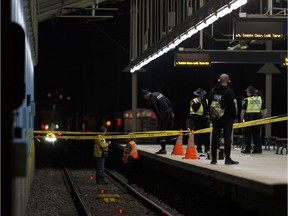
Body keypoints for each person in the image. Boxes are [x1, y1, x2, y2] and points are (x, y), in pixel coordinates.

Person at [208, 73, 239, 165]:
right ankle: (227, 158)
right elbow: (232, 106)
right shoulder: (229, 92)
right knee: (227, 138)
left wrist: (210, 115)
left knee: (215, 138)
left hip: (216, 118)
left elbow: (209, 103)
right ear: (228, 80)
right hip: (227, 118)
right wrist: (234, 116)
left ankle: (213, 158)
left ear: (219, 80)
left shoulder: (212, 91)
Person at [141, 89, 175, 154]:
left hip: (164, 115)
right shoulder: (158, 93)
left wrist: (159, 117)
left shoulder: (152, 99)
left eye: (145, 98)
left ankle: (163, 149)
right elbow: (167, 100)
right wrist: (171, 110)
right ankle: (176, 147)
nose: (146, 99)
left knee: (162, 131)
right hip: (170, 111)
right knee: (171, 130)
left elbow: (155, 109)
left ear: (145, 95)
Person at [240, 85, 267, 154]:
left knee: (247, 134)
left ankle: (248, 149)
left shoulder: (248, 100)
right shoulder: (259, 99)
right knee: (257, 135)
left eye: (247, 92)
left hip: (249, 119)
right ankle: (257, 149)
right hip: (257, 119)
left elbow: (243, 111)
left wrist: (241, 120)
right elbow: (265, 109)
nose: (246, 93)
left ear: (249, 92)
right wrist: (263, 118)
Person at [189, 88, 210, 153]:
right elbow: (195, 109)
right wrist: (199, 101)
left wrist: (208, 115)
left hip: (205, 120)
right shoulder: (193, 101)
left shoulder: (206, 101)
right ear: (197, 96)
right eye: (200, 95)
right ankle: (199, 148)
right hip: (197, 120)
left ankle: (207, 149)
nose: (201, 96)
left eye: (202, 95)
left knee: (207, 134)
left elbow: (208, 109)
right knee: (199, 135)